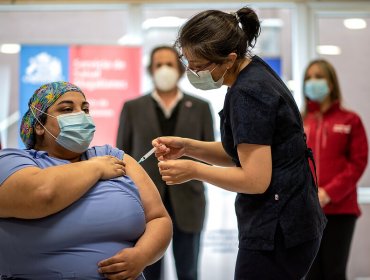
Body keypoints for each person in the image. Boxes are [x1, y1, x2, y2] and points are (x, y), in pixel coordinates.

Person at [152, 7, 327, 280]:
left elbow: (255, 178)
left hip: (278, 229)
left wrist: (193, 171)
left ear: (229, 59)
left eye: (198, 66)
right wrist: (187, 147)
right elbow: (242, 152)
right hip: (291, 222)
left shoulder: (249, 92)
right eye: (187, 62)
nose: (191, 72)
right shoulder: (252, 73)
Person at [0, 81, 172, 280]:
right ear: (39, 126)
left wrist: (142, 256)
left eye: (85, 109)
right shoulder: (13, 160)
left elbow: (158, 218)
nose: (80, 116)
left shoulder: (114, 156)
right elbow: (41, 194)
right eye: (67, 109)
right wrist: (95, 168)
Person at [116, 45, 214, 280]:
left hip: (189, 202)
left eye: (169, 64)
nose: (164, 69)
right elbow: (123, 156)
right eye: (158, 65)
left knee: (188, 271)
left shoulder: (200, 107)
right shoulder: (132, 108)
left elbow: (210, 155)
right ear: (150, 69)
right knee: (148, 271)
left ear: (180, 70)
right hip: (144, 204)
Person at [302, 59, 368, 280]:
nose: (313, 82)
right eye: (309, 78)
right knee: (310, 274)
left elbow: (358, 163)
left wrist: (329, 192)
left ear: (331, 83)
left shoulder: (351, 120)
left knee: (334, 273)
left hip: (340, 211)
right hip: (307, 211)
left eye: (319, 77)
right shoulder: (299, 122)